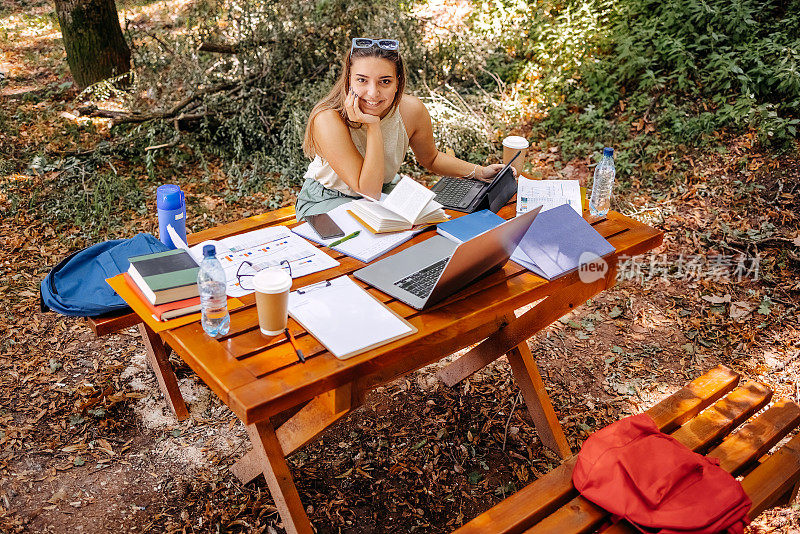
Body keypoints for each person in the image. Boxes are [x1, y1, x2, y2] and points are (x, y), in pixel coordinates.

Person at [295, 37, 511, 220]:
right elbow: (368, 190)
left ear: (398, 82)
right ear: (348, 80)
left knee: (434, 230)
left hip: (384, 193)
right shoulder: (328, 119)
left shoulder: (411, 110)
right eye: (362, 80)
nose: (373, 93)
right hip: (328, 200)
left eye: (384, 81)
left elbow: (432, 159)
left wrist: (479, 171)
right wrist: (372, 126)